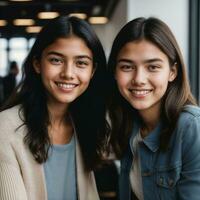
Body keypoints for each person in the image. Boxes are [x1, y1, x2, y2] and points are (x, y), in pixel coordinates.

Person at [0, 15, 110, 200]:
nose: (68, 73)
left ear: (92, 71)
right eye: (56, 60)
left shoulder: (87, 124)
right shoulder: (5, 128)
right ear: (37, 64)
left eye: (81, 63)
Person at [107, 17, 200, 200]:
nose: (139, 78)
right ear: (115, 72)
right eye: (127, 66)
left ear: (172, 72)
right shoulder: (129, 125)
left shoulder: (191, 127)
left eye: (153, 67)